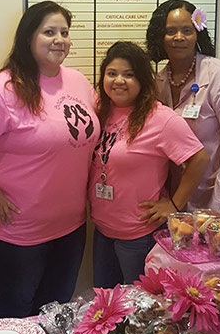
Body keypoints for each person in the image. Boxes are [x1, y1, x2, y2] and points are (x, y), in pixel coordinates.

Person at [0, 1, 100, 319]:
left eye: (64, 32)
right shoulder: (5, 87)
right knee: (15, 314)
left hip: (70, 228)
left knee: (55, 313)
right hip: (16, 233)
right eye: (49, 32)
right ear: (29, 37)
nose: (59, 39)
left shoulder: (78, 81)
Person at [89, 41, 209, 288]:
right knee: (106, 306)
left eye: (129, 75)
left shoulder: (160, 118)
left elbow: (199, 158)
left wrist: (174, 204)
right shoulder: (100, 110)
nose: (119, 81)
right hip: (102, 231)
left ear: (142, 79)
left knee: (141, 312)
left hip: (138, 236)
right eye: (112, 74)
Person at [146, 0, 220, 211]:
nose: (179, 37)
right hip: (189, 191)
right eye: (171, 31)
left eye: (187, 30)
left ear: (197, 34)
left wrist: (218, 206)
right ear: (159, 38)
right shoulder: (159, 82)